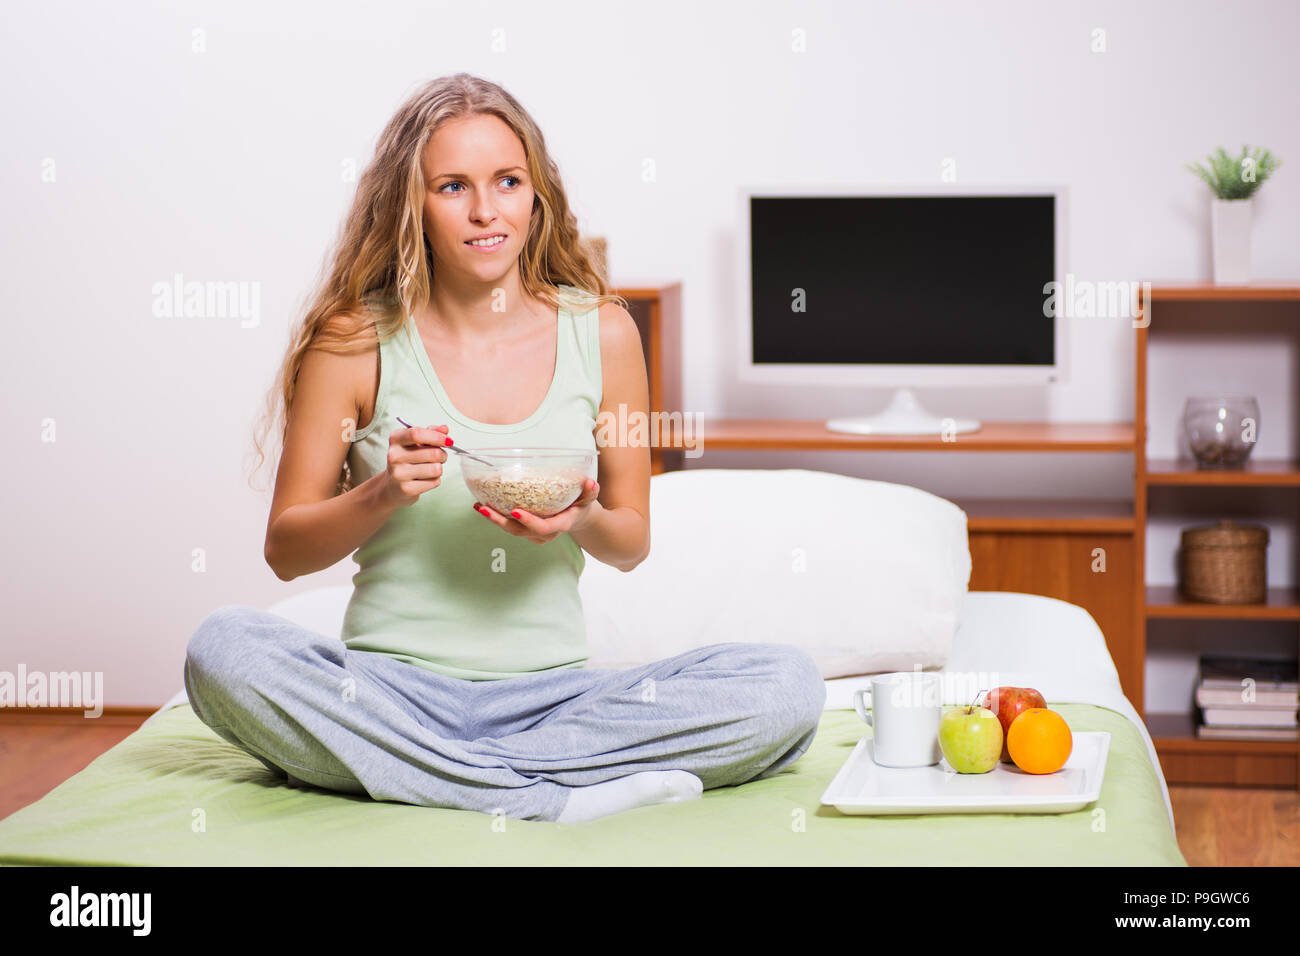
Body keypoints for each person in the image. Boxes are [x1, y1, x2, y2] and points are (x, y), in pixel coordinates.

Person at [184, 72, 825, 824]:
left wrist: (582, 517)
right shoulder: (355, 341)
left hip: (555, 704)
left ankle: (443, 778)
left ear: (537, 193)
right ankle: (544, 797)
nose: (486, 211)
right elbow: (286, 551)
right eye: (452, 186)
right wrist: (381, 491)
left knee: (786, 686)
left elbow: (631, 541)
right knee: (222, 648)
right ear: (410, 206)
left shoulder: (606, 334)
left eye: (507, 181)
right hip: (387, 693)